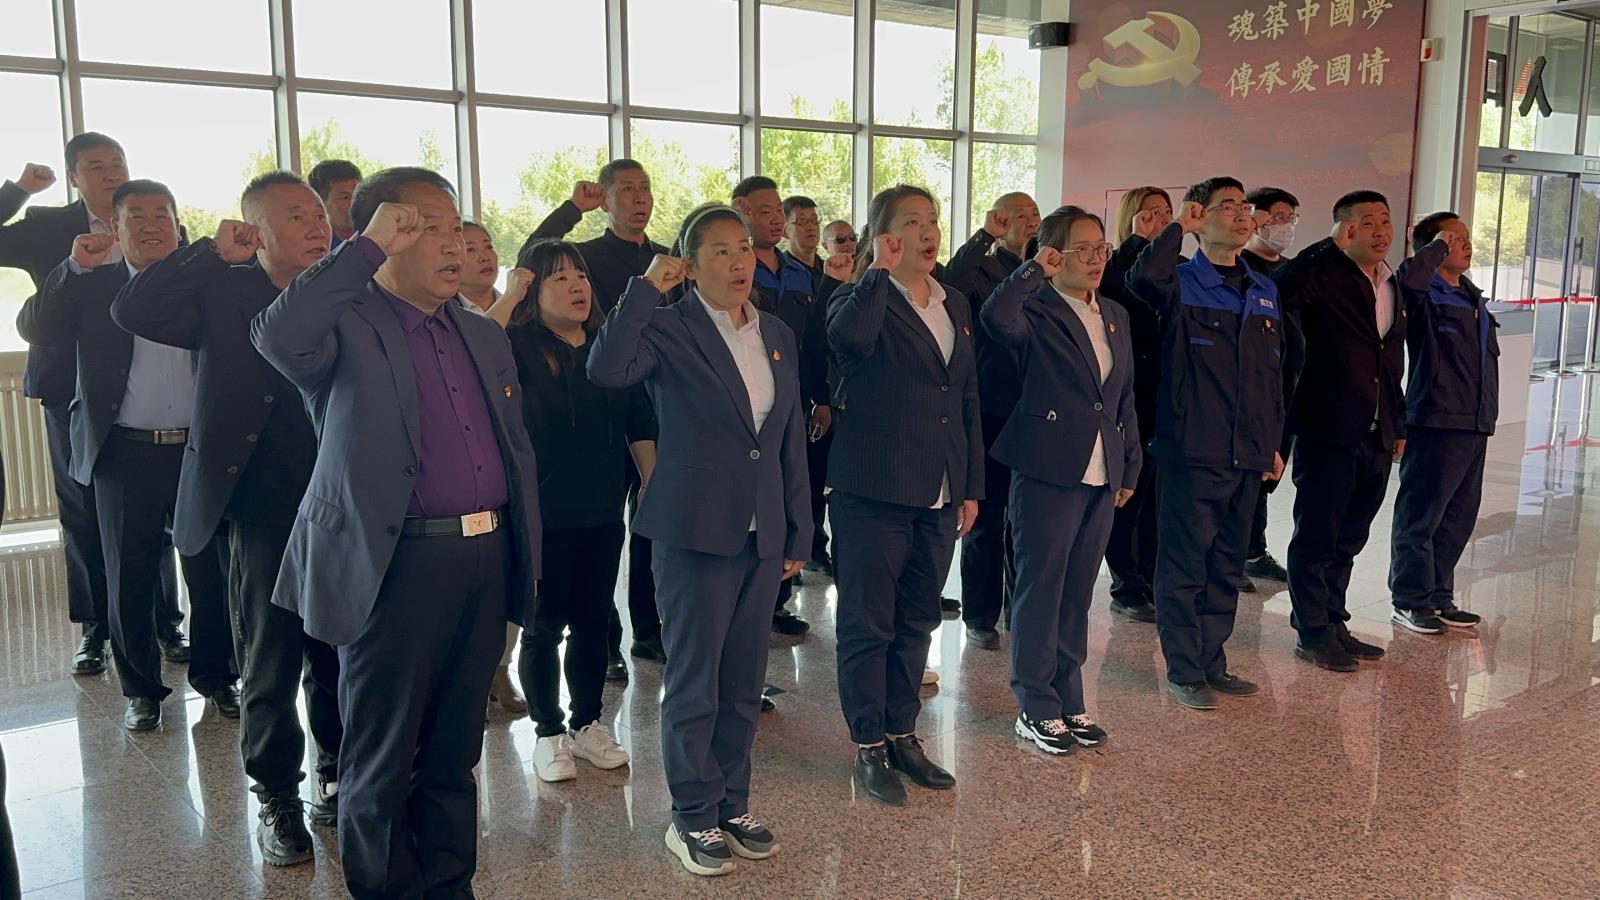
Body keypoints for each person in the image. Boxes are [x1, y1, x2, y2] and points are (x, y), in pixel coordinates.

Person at [251, 168, 542, 899]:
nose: (451, 245)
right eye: (424, 228)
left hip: (483, 556)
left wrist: (521, 558)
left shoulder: (482, 332)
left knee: (453, 751)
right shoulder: (345, 324)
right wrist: (361, 249)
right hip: (392, 561)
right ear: (383, 236)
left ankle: (449, 884)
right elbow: (276, 333)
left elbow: (514, 449)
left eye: (455, 228)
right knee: (382, 756)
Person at [110, 171, 345, 863]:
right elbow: (134, 310)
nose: (316, 225)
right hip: (260, 505)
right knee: (270, 656)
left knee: (337, 650)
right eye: (295, 216)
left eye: (318, 213)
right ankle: (276, 796)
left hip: (337, 500)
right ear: (255, 230)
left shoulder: (346, 291)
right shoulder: (223, 289)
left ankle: (337, 773)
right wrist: (208, 252)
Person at [587, 203, 810, 877]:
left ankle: (732, 803)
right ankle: (690, 814)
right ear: (689, 264)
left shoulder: (775, 332)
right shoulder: (667, 325)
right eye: (720, 250)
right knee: (695, 682)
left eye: (743, 248)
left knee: (743, 681)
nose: (739, 262)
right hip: (693, 529)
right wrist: (643, 290)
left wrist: (798, 526)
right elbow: (607, 368)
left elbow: (787, 440)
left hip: (762, 531)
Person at [16, 178, 238, 731]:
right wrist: (72, 268)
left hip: (197, 451)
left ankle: (218, 677)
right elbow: (34, 327)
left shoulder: (206, 282)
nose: (150, 224)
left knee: (211, 572)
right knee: (129, 575)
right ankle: (141, 690)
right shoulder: (93, 283)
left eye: (161, 214)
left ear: (178, 225)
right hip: (124, 451)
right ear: (113, 227)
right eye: (135, 215)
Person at [1, 135, 188, 675]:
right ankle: (96, 629)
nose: (111, 173)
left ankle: (165, 623)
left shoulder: (154, 224)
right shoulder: (47, 227)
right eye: (97, 166)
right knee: (84, 513)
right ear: (74, 177)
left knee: (153, 514)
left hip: (149, 394)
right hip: (71, 390)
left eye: (118, 163)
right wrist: (18, 190)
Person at [827, 185, 981, 805]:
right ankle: (868, 742)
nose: (927, 231)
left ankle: (902, 732)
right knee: (869, 622)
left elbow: (965, 396)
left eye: (932, 220)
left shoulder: (953, 300)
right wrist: (877, 274)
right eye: (911, 222)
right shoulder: (856, 296)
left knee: (918, 619)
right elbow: (849, 343)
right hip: (873, 489)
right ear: (882, 236)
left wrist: (969, 486)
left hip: (939, 490)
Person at [982, 206, 1139, 754]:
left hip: (1102, 470)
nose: (1096, 259)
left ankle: (1069, 697)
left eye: (1102, 249)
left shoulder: (1114, 313)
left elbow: (1123, 398)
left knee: (1077, 591)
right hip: (1048, 467)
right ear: (1054, 254)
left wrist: (1128, 464)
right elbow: (995, 318)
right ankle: (1035, 703)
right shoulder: (1036, 308)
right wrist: (1033, 271)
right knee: (1040, 587)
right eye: (1082, 249)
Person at [1126, 176, 1285, 712]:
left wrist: (1272, 443)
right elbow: (1141, 276)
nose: (1242, 215)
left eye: (1245, 207)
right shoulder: (1179, 281)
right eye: (1227, 206)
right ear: (1200, 216)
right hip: (1192, 449)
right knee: (1184, 565)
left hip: (1248, 453)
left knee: (1226, 566)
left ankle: (1212, 660)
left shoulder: (1263, 289)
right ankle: (1184, 668)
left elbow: (1272, 377)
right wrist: (1177, 226)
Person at [505, 239, 656, 782]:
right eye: (559, 278)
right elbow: (478, 345)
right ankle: (548, 732)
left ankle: (587, 723)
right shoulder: (517, 345)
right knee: (543, 626)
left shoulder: (607, 346)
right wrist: (510, 293)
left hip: (601, 506)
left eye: (581, 276)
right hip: (542, 511)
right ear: (533, 290)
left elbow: (638, 417)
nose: (576, 287)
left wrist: (650, 480)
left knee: (594, 622)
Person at [525, 161, 670, 663]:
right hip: (593, 397)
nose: (639, 198)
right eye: (626, 189)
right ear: (605, 200)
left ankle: (648, 629)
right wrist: (571, 209)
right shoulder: (585, 256)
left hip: (647, 404)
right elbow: (532, 259)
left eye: (645, 188)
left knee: (646, 525)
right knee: (593, 529)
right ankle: (604, 640)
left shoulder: (665, 260)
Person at [1269, 190, 1404, 670]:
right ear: (1345, 228)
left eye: (1384, 220)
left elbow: (1390, 360)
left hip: (1376, 433)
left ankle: (1334, 620)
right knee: (1318, 536)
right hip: (1328, 430)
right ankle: (1312, 630)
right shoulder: (1323, 276)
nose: (1380, 231)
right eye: (1367, 222)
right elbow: (1279, 289)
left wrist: (1397, 421)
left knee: (1351, 536)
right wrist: (1327, 246)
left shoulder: (1390, 281)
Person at [1388, 212, 1494, 635]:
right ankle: (1410, 599)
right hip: (1436, 419)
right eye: (1454, 238)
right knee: (1422, 516)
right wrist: (1433, 250)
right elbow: (1406, 282)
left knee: (1457, 517)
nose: (1465, 244)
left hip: (1475, 421)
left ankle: (1437, 596)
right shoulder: (1424, 293)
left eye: (1466, 237)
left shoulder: (1471, 296)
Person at [733, 176, 826, 637]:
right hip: (748, 404)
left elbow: (815, 342)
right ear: (743, 210)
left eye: (778, 211)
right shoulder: (739, 270)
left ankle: (777, 599)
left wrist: (821, 398)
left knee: (794, 487)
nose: (775, 219)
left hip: (795, 397)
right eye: (767, 211)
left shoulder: (800, 271)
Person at [948, 191, 1039, 648]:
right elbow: (951, 283)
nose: (1030, 222)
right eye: (1020, 215)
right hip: (990, 407)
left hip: (1036, 409)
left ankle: (1020, 609)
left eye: (1035, 214)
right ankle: (980, 615)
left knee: (1028, 521)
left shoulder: (1047, 269)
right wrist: (984, 237)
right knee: (986, 517)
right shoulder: (982, 268)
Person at [1099, 187, 1171, 624]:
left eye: (1166, 214)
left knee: (1158, 499)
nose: (1159, 220)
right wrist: (1138, 242)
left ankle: (1150, 576)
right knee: (1130, 492)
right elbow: (1114, 289)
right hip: (1131, 395)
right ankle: (1126, 583)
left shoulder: (1178, 267)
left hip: (1167, 397)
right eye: (1149, 214)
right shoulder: (1117, 264)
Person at [1237, 186, 1305, 590]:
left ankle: (1252, 550)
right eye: (1278, 217)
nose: (1285, 226)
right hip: (1255, 388)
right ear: (1256, 218)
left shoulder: (1293, 272)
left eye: (1290, 218)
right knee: (1249, 473)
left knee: (1269, 473)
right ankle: (1231, 556)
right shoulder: (1240, 267)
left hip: (1289, 388)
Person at [784, 198, 853, 577]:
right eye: (802, 222)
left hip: (834, 391)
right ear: (786, 229)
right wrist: (816, 398)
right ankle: (801, 548)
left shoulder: (838, 272)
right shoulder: (782, 273)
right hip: (799, 392)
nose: (810, 227)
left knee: (823, 476)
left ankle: (816, 547)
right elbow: (807, 343)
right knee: (803, 479)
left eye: (814, 220)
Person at [307, 159, 362, 251]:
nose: (355, 203)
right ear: (322, 204)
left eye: (358, 195)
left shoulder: (375, 237)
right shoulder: (317, 249)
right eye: (345, 197)